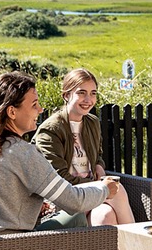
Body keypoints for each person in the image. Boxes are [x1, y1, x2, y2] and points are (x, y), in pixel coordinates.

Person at [0, 71, 120, 234]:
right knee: (77, 216)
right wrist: (105, 189)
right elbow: (73, 201)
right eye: (34, 104)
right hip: (12, 245)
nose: (40, 109)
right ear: (12, 112)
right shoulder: (22, 152)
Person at [32, 68, 135, 227]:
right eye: (81, 93)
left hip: (91, 192)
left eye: (93, 93)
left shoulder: (92, 122)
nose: (88, 99)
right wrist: (95, 187)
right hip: (65, 198)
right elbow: (58, 177)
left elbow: (96, 154)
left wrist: (99, 165)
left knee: (105, 216)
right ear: (66, 95)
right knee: (117, 190)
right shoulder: (51, 130)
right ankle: (138, 248)